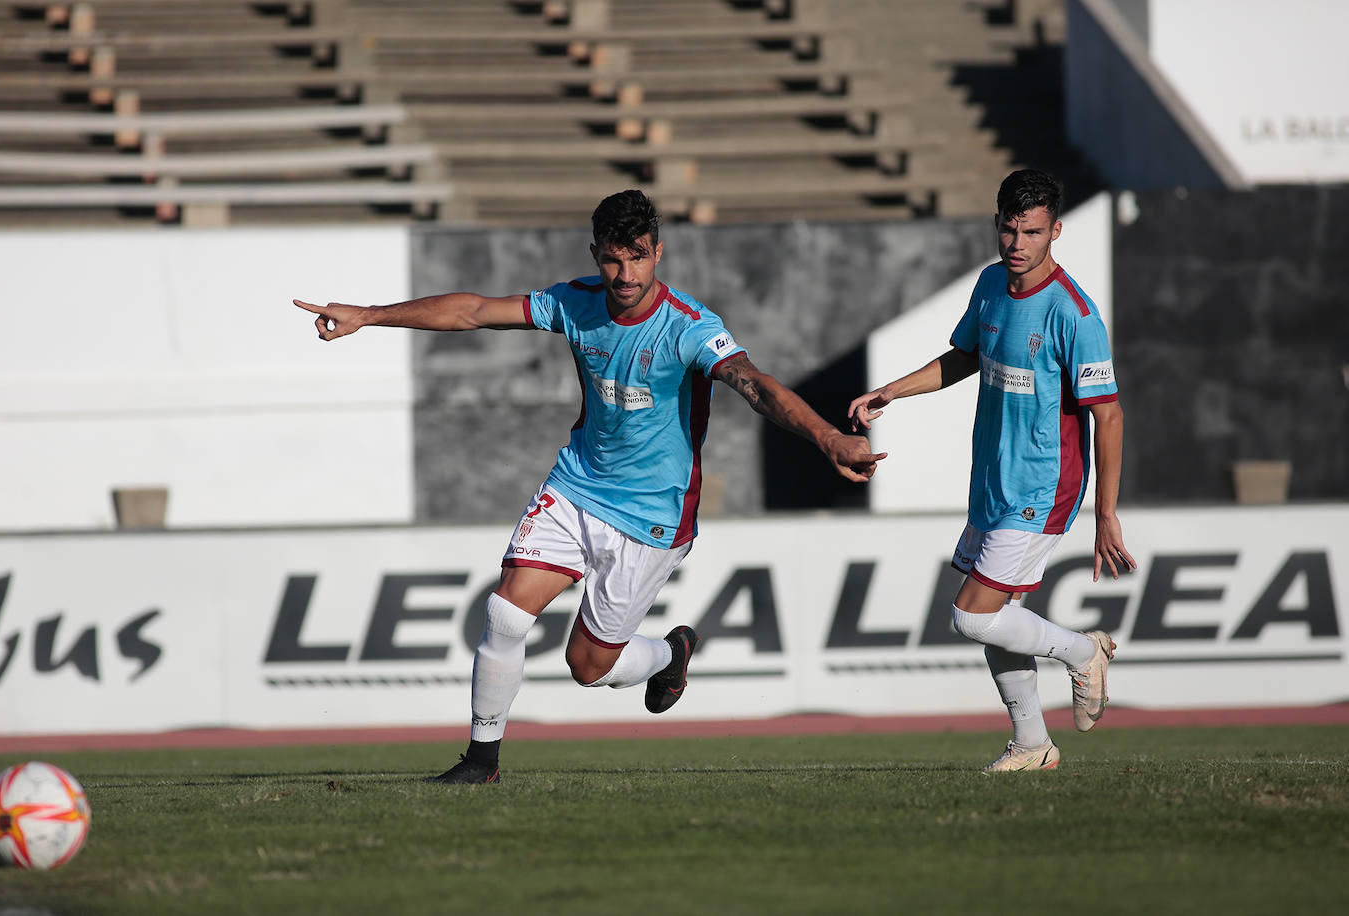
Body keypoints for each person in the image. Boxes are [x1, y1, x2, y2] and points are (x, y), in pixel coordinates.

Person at [296, 189, 886, 784]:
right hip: (579, 485)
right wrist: (368, 316)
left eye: (637, 257)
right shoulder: (574, 303)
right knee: (505, 613)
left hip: (653, 515)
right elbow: (472, 311)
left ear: (659, 252)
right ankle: (481, 763)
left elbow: (755, 386)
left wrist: (828, 439)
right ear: (594, 254)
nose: (624, 274)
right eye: (612, 258)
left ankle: (670, 653)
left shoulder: (689, 328)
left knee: (588, 667)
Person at [849, 169, 1136, 773]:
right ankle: (1032, 744)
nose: (1017, 244)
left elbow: (1107, 417)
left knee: (971, 613)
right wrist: (891, 393)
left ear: (1055, 231)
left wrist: (1105, 516)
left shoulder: (1074, 314)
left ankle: (1084, 652)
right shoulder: (990, 284)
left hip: (1043, 486)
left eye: (1032, 232)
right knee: (996, 622)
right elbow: (963, 358)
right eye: (1008, 229)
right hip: (992, 481)